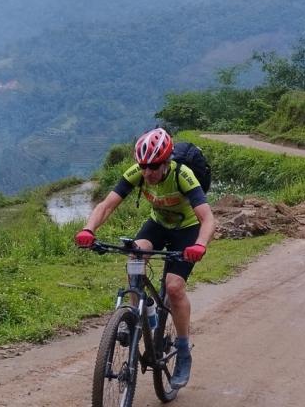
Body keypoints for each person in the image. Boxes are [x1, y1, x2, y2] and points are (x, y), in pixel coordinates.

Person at [75, 127, 215, 389]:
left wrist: (200, 244)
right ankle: (142, 316)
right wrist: (88, 229)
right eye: (143, 167)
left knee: (174, 287)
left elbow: (207, 218)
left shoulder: (183, 176)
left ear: (166, 163)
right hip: (158, 225)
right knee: (135, 256)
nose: (147, 173)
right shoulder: (137, 173)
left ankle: (183, 351)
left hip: (187, 230)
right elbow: (106, 205)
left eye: (153, 167)